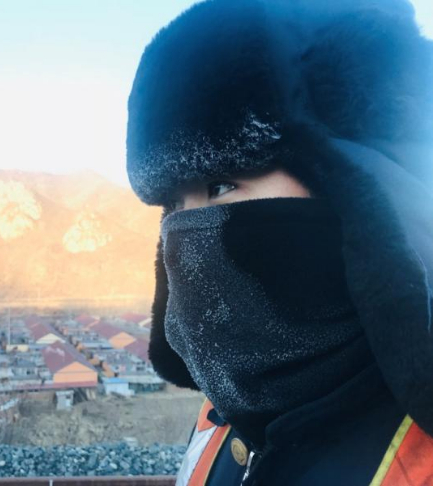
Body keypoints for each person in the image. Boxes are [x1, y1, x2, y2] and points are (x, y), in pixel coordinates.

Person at [125, 1, 433, 485]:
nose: (185, 232)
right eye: (175, 203)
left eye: (221, 185)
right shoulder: (223, 417)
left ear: (357, 193)